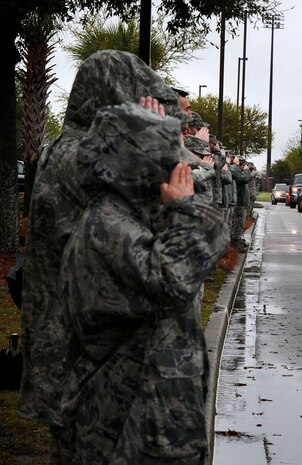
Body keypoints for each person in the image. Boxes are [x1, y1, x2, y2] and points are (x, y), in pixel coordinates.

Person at [19, 49, 182, 464]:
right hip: (85, 352)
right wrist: (154, 143)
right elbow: (146, 241)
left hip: (75, 340)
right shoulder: (87, 158)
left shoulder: (71, 148)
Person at [59, 102, 230, 464]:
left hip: (147, 425)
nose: (177, 174)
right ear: (138, 168)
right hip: (124, 432)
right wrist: (186, 208)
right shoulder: (109, 227)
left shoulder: (124, 218)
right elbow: (175, 280)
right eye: (168, 164)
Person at [184, 135, 216, 204]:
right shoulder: (182, 167)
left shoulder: (199, 169)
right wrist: (205, 169)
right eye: (201, 155)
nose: (203, 159)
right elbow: (190, 179)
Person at [231, 157, 253, 251]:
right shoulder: (235, 171)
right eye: (243, 165)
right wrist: (247, 171)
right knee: (238, 223)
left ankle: (238, 240)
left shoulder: (239, 172)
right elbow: (243, 179)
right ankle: (235, 244)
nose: (244, 167)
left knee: (240, 223)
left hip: (242, 202)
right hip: (239, 202)